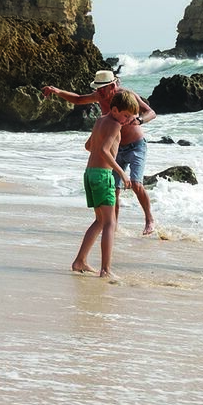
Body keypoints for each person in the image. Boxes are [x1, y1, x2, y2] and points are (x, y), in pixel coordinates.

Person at [43, 70, 157, 234]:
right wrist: (57, 91)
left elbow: (151, 112)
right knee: (114, 189)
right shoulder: (99, 96)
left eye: (102, 89)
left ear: (112, 86)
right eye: (97, 89)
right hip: (116, 148)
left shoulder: (126, 96)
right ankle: (114, 227)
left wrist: (139, 120)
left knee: (137, 184)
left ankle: (149, 219)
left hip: (135, 145)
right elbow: (79, 99)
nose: (98, 92)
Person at [70, 90, 138, 278]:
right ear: (115, 110)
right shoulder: (115, 125)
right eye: (126, 116)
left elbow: (88, 146)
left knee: (100, 221)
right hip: (102, 175)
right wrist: (122, 173)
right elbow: (103, 150)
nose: (126, 120)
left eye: (130, 117)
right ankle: (106, 269)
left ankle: (80, 261)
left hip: (90, 174)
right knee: (109, 222)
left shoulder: (100, 120)